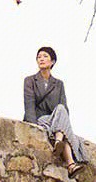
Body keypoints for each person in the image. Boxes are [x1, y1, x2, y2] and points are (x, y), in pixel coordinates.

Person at [23, 46, 87, 175]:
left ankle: (61, 146)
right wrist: (33, 126)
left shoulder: (59, 84)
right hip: (40, 120)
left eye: (45, 56)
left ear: (52, 61)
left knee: (62, 109)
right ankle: (70, 162)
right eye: (39, 57)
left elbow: (64, 108)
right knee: (63, 128)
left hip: (55, 121)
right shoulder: (30, 80)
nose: (41, 59)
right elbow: (29, 105)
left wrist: (59, 124)